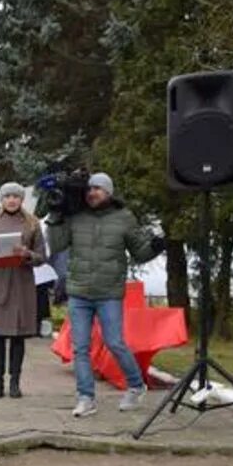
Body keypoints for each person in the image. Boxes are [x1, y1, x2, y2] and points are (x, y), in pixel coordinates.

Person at [47, 172, 165, 417]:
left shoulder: (124, 218)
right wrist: (57, 216)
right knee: (80, 348)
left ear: (109, 192)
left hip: (109, 292)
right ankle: (86, 398)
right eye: (89, 190)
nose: (91, 193)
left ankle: (135, 385)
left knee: (114, 342)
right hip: (79, 291)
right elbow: (57, 245)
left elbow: (139, 253)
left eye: (97, 189)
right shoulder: (75, 217)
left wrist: (155, 247)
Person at [0, 182, 46, 398]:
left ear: (22, 199)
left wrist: (27, 254)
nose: (12, 200)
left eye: (16, 196)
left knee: (18, 337)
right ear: (1, 200)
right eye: (7, 197)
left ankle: (15, 382)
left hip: (22, 285)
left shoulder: (32, 224)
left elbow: (42, 257)